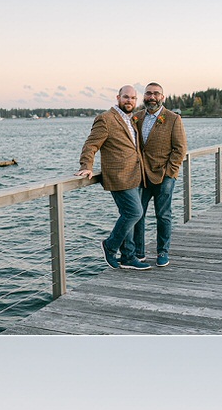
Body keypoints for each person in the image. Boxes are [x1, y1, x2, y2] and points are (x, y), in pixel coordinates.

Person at [78, 87, 151, 271]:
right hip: (118, 176)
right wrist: (86, 166)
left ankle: (128, 256)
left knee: (130, 215)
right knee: (134, 212)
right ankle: (109, 246)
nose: (130, 101)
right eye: (126, 97)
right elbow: (91, 144)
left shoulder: (131, 119)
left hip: (136, 175)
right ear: (118, 98)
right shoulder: (106, 119)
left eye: (133, 98)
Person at [133, 83, 187, 268]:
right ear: (144, 96)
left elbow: (180, 149)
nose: (152, 97)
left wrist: (169, 173)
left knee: (163, 214)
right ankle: (138, 253)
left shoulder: (173, 119)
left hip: (164, 176)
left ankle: (162, 252)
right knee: (137, 214)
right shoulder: (136, 117)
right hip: (141, 177)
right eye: (148, 93)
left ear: (162, 97)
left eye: (156, 94)